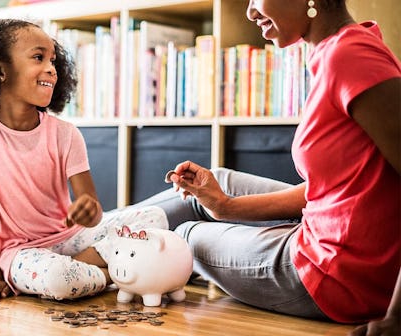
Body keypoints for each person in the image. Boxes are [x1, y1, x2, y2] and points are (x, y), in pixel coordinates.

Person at [137, 0, 400, 334]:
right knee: (216, 183)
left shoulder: (349, 57)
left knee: (186, 234)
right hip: (330, 236)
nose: (250, 12)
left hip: (340, 277)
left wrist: (397, 317)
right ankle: (84, 241)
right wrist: (225, 206)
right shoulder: (339, 48)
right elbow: (339, 184)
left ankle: (86, 251)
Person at [0, 19, 167, 302]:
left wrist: (88, 209)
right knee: (58, 280)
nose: (51, 68)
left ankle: (97, 268)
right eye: (38, 57)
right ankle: (116, 271)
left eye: (53, 60)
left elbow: (91, 206)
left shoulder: (66, 134)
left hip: (72, 238)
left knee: (155, 217)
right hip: (21, 253)